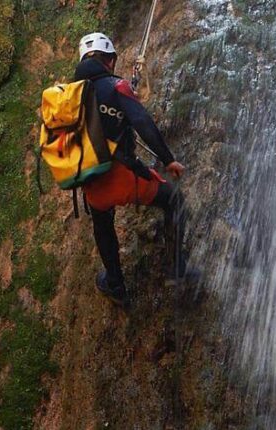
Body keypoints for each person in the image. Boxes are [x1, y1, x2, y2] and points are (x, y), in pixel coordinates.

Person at [75, 32, 198, 307]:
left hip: (90, 182)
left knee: (103, 225)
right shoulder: (116, 86)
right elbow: (142, 123)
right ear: (110, 60)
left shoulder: (70, 93)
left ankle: (115, 284)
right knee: (173, 200)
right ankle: (177, 269)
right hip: (121, 177)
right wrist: (168, 160)